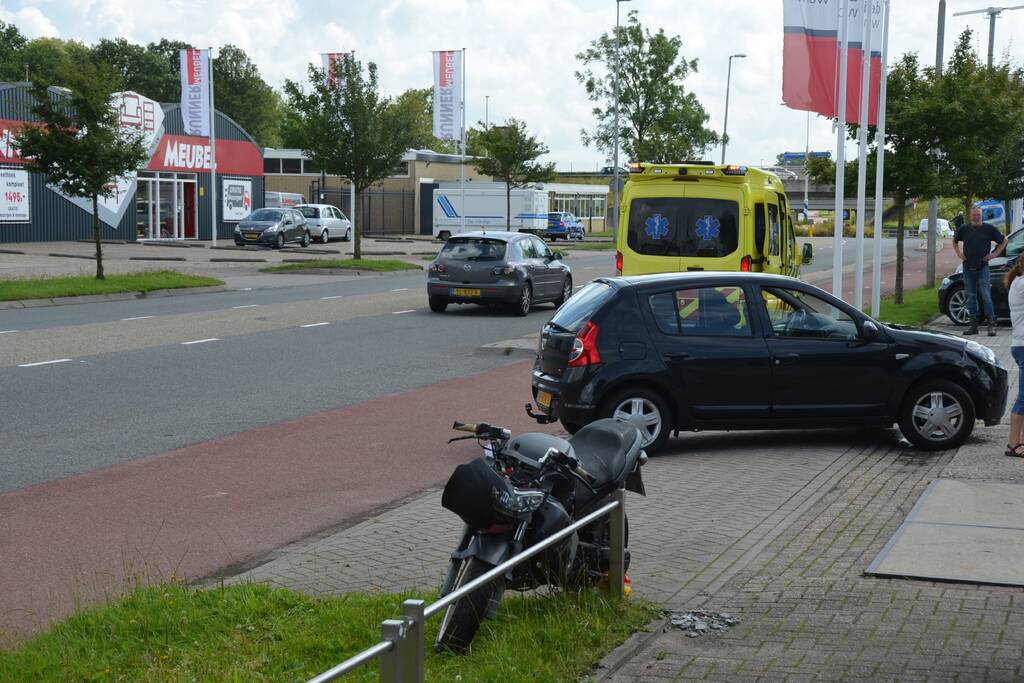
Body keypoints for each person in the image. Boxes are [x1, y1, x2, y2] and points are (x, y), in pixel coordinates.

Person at [953, 206, 1007, 336]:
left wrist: (994, 254)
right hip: (967, 268)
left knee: (986, 297)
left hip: (983, 267)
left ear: (981, 216)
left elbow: (1004, 240)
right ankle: (973, 326)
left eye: (978, 215)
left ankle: (991, 326)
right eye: (974, 215)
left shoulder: (989, 229)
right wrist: (959, 253)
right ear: (970, 216)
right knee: (971, 298)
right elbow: (954, 241)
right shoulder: (964, 229)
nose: (976, 217)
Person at [1005, 259, 1024, 458]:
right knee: (1023, 398)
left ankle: (1021, 441)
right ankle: (1013, 444)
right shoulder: (1021, 284)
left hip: (1020, 344)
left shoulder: (1018, 282)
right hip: (1023, 346)